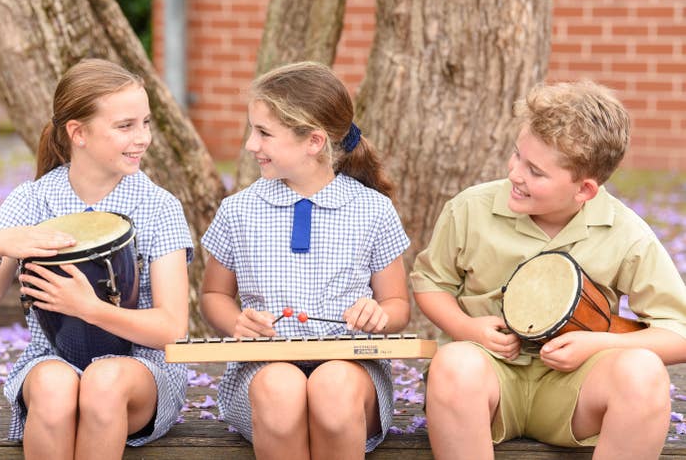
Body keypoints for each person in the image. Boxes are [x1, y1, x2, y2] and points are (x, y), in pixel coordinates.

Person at [411, 80, 686, 460]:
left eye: (535, 171)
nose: (515, 174)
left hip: (574, 394)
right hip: (487, 385)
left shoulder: (626, 233)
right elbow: (430, 282)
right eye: (516, 155)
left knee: (644, 373)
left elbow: (679, 332)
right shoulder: (469, 209)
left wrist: (601, 344)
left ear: (585, 190)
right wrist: (466, 328)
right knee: (454, 363)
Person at [0, 59, 193, 460]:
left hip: (139, 370)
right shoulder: (31, 201)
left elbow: (171, 327)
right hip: (53, 360)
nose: (143, 138)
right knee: (53, 386)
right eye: (125, 126)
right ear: (78, 133)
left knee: (103, 380)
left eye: (145, 122)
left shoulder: (159, 207)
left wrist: (87, 308)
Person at [200, 61, 411, 459]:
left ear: (314, 142)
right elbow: (213, 294)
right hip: (261, 369)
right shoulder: (237, 211)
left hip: (352, 372)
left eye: (263, 133)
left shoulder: (373, 210)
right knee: (281, 393)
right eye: (252, 130)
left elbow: (397, 306)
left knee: (332, 391)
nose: (250, 144)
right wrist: (235, 321)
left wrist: (377, 314)